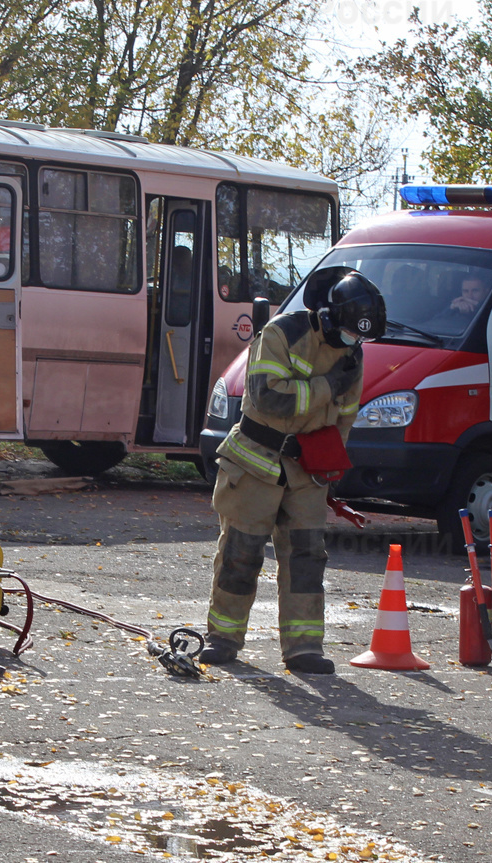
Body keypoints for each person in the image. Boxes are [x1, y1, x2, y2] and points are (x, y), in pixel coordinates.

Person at [199, 268, 383, 674]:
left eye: (359, 337)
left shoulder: (352, 356)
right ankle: (222, 638)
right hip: (255, 462)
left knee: (307, 559)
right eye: (348, 332)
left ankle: (304, 648)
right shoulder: (282, 333)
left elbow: (345, 417)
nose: (352, 342)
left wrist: (331, 464)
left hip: (308, 471)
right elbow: (269, 398)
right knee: (241, 554)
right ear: (329, 316)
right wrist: (326, 387)